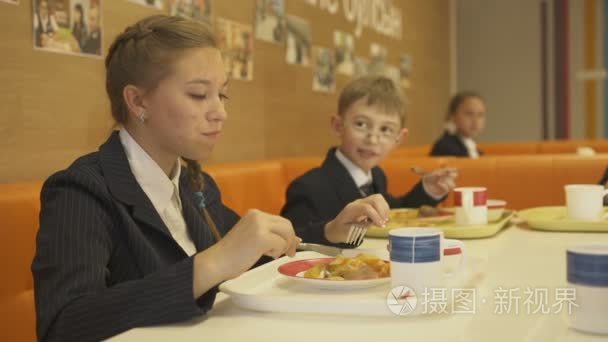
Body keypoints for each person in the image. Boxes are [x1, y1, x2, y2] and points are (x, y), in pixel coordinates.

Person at [31, 15, 390, 342]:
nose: (220, 112)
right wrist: (211, 264)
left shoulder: (193, 183)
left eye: (222, 95)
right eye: (199, 95)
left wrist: (329, 232)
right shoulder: (81, 190)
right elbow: (63, 325)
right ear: (138, 101)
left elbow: (256, 252)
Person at [281, 76, 457, 234]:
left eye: (385, 129)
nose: (373, 139)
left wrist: (428, 191)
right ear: (337, 125)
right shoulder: (309, 187)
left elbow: (395, 212)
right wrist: (331, 230)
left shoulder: (376, 175)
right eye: (361, 124)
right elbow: (293, 241)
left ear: (399, 137)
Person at [430, 92, 486, 158]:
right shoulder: (446, 147)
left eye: (480, 114)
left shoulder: (475, 149)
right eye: (469, 113)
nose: (475, 120)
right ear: (453, 116)